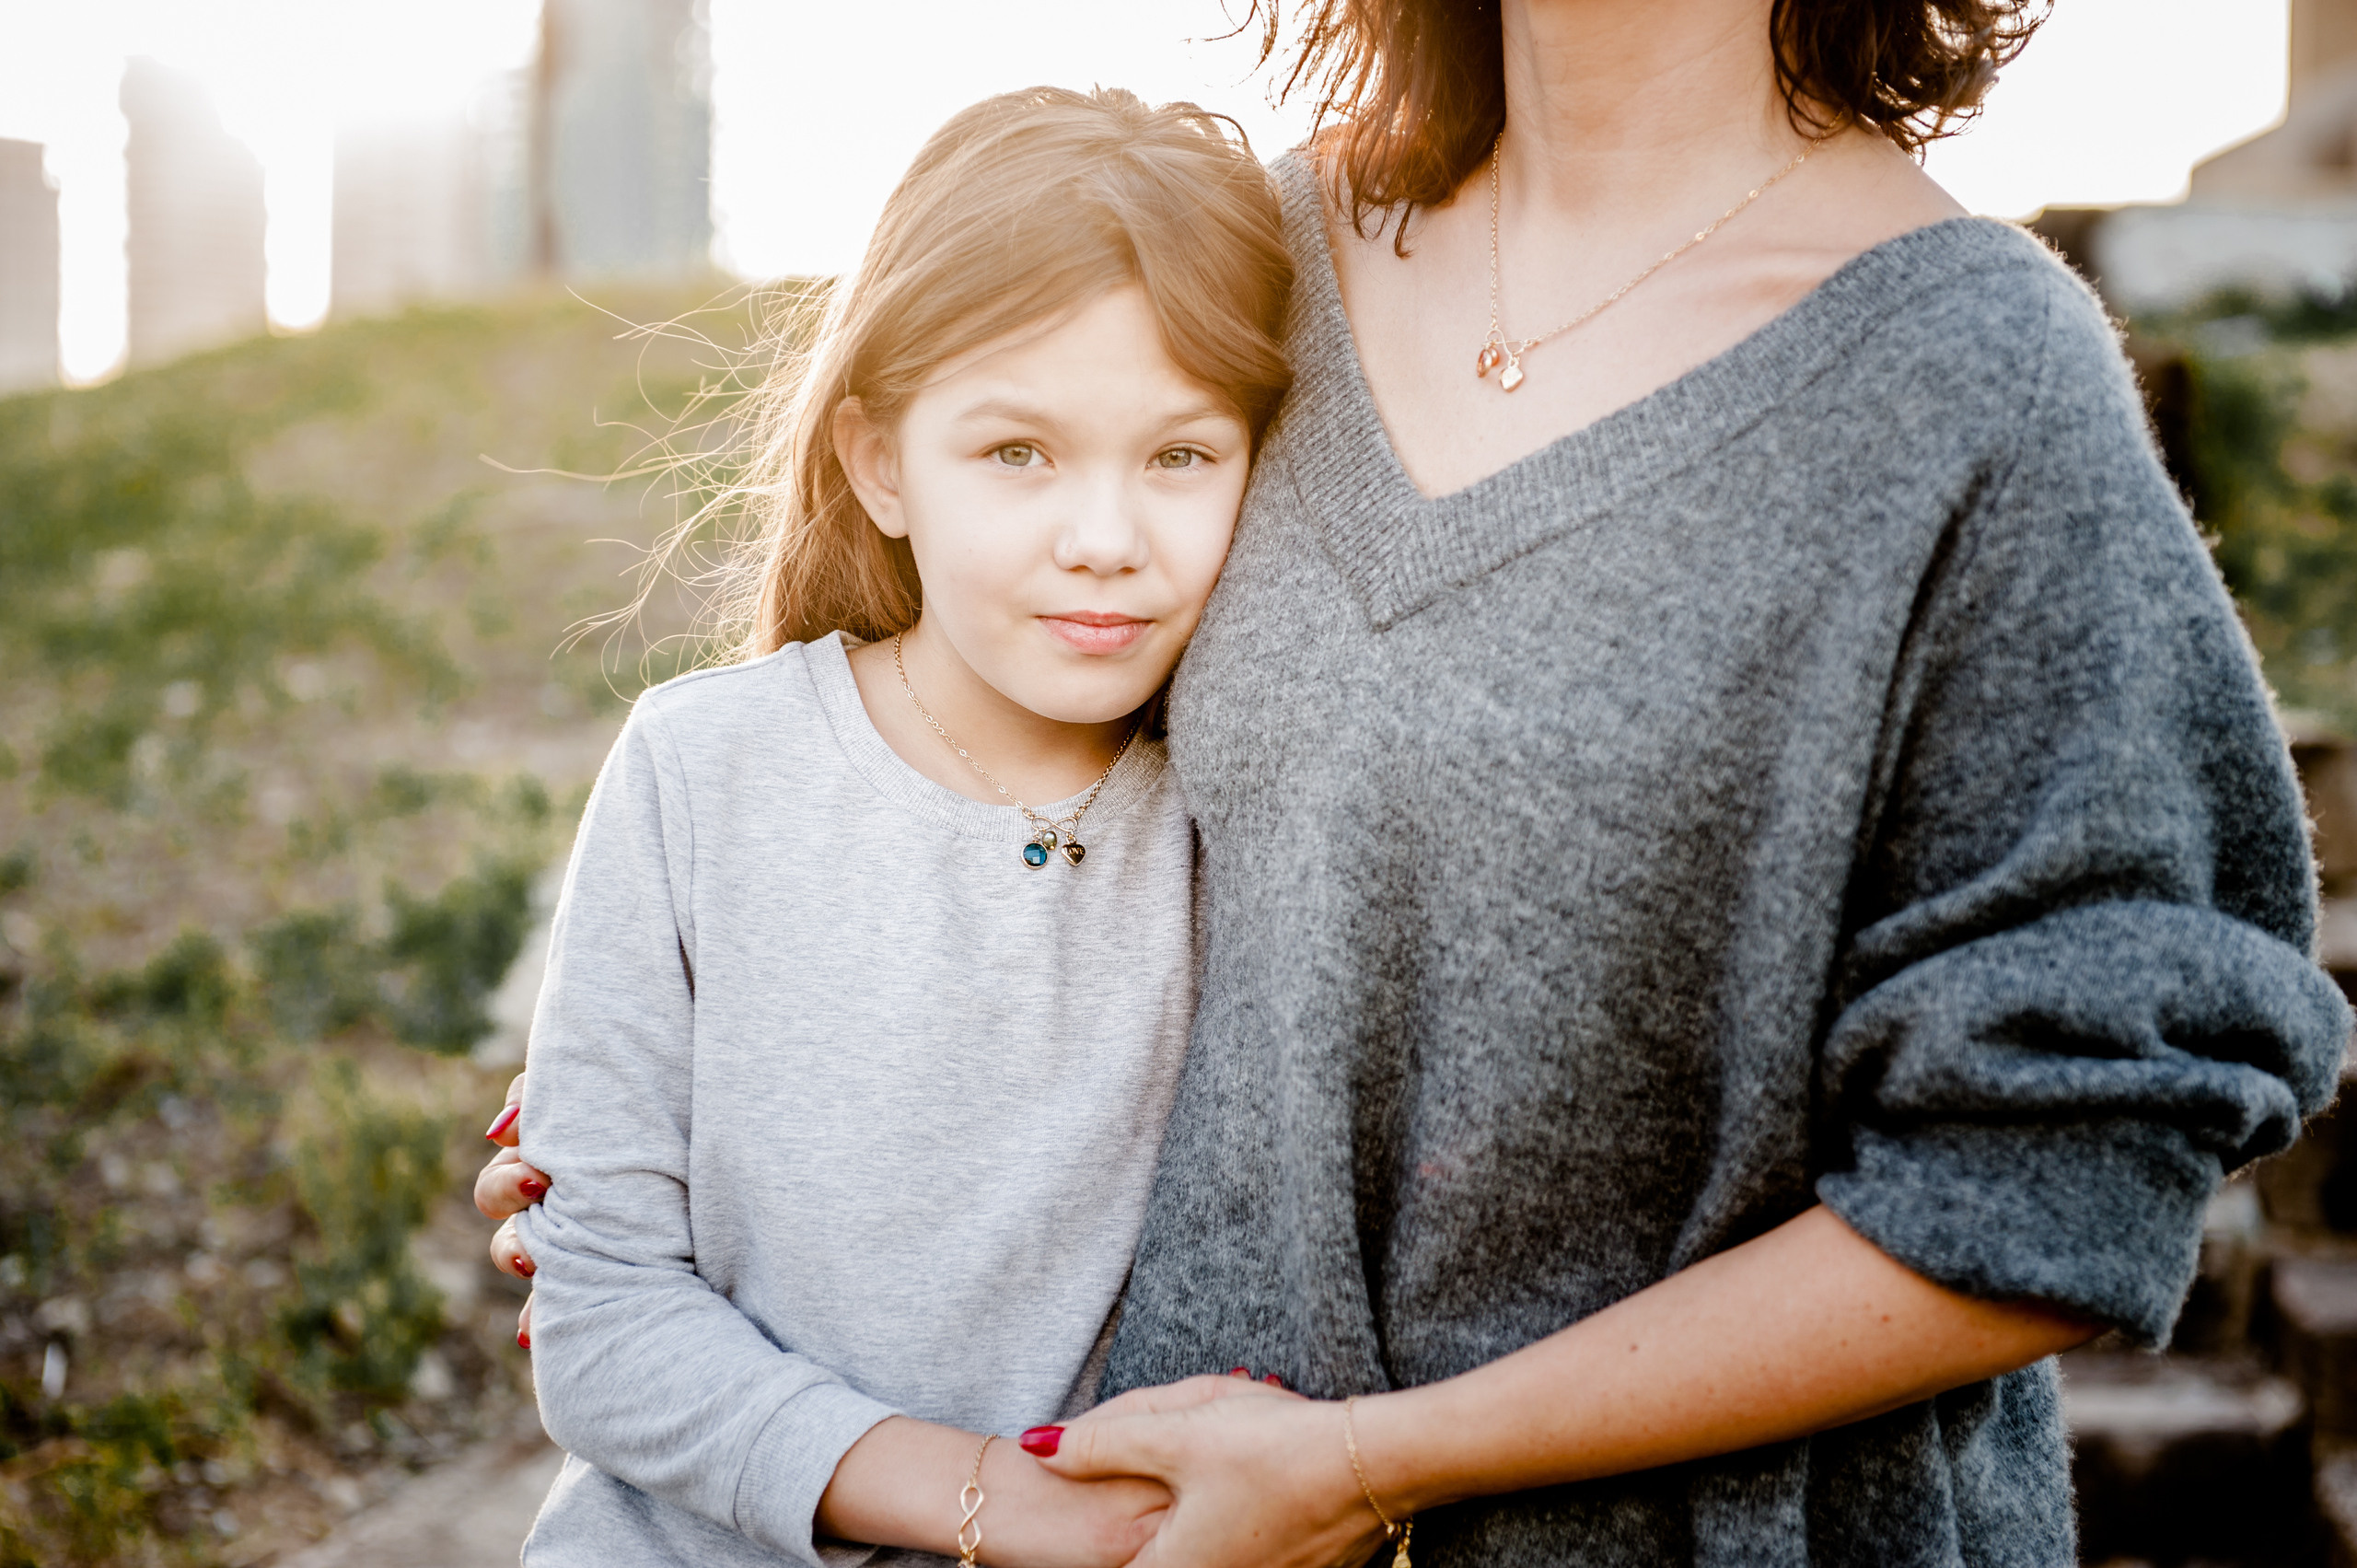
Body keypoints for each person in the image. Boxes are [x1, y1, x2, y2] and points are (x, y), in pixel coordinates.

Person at [488, 2, 2352, 1563]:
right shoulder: (1253, 263)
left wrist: (1392, 1459)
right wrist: (735, 1125)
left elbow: (2061, 1177)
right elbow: (1033, 788)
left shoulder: (1971, 382)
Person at [485, 86, 1290, 1567]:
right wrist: (998, 1502)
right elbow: (598, 1319)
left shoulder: (1247, 823)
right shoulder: (702, 771)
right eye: (1018, 454)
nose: (1104, 535)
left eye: (1181, 455)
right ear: (877, 462)